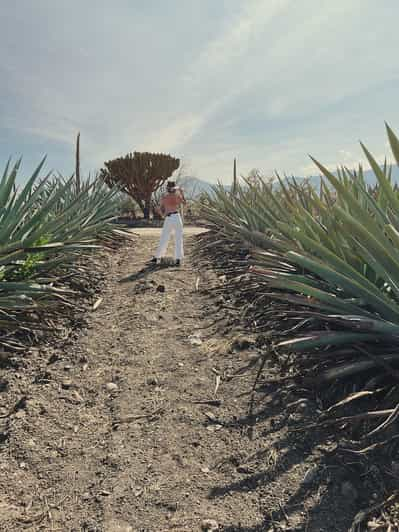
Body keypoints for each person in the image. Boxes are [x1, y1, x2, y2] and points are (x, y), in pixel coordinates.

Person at [150, 181, 186, 266]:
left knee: (168, 237)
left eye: (169, 187)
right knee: (172, 238)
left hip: (171, 217)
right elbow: (184, 203)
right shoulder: (175, 196)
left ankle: (174, 258)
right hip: (175, 217)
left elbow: (159, 208)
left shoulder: (168, 196)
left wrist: (163, 214)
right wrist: (181, 192)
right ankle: (161, 257)